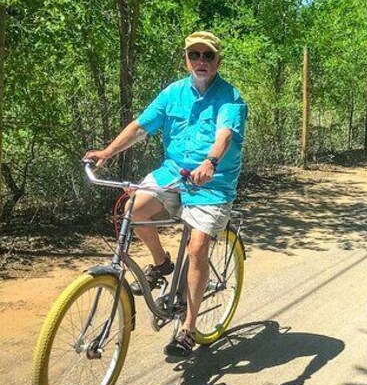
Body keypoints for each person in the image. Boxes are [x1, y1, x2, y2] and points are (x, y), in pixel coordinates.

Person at [84, 31, 248, 358]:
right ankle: (161, 263)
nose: (201, 61)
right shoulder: (173, 93)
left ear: (218, 61)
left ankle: (187, 328)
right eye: (194, 55)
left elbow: (224, 136)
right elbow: (140, 127)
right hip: (174, 172)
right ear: (186, 59)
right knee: (133, 208)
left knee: (198, 245)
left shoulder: (230, 98)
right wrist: (107, 152)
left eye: (208, 56)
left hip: (212, 182)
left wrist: (211, 162)